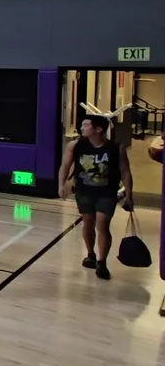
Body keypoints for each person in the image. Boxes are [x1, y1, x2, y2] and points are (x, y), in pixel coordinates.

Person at [59, 115, 133, 280]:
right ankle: (90, 254)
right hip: (84, 192)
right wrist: (61, 184)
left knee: (103, 226)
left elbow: (125, 171)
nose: (82, 128)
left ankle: (102, 261)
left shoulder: (115, 148)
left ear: (98, 129)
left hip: (107, 193)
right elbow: (65, 165)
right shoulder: (75, 145)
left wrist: (129, 193)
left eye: (86, 125)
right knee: (88, 223)